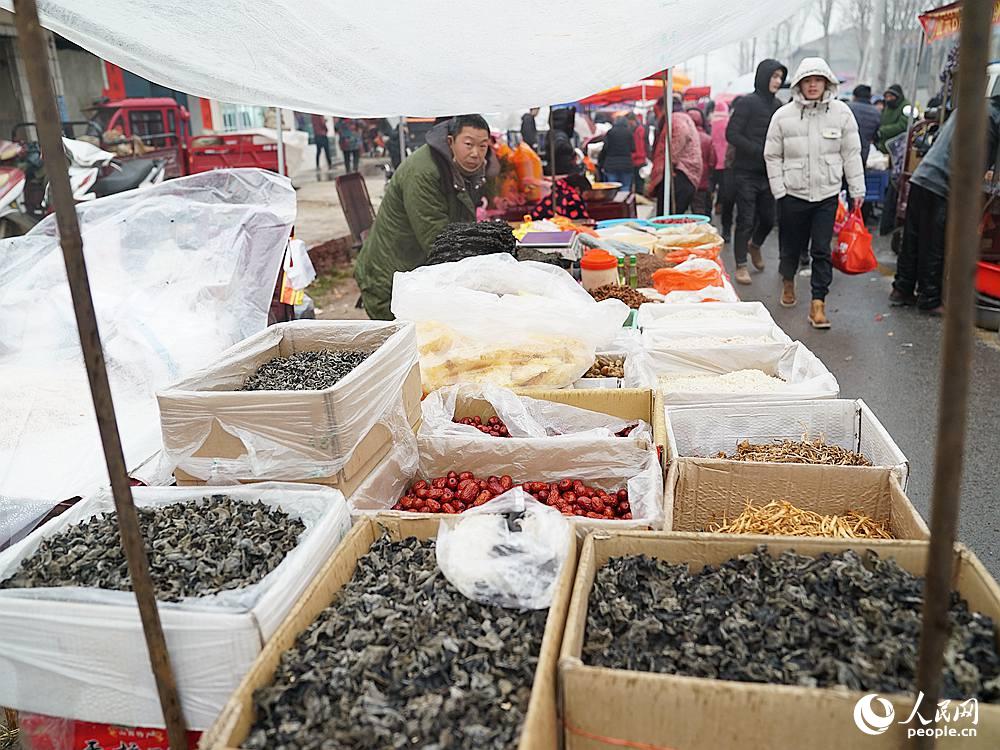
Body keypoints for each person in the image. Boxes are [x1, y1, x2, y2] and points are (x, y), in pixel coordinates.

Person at [354, 114, 498, 319]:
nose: (476, 153)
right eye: (468, 144)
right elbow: (437, 240)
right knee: (412, 346)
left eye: (483, 146)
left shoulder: (463, 168)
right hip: (391, 284)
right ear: (450, 141)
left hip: (417, 280)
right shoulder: (424, 173)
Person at [765, 57, 865, 330]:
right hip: (792, 194)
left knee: (821, 250)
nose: (812, 86)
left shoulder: (841, 113)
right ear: (799, 84)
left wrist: (857, 189)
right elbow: (772, 155)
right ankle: (788, 281)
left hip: (827, 194)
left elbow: (851, 154)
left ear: (826, 83)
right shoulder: (783, 116)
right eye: (807, 81)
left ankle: (818, 304)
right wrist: (779, 191)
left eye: (817, 80)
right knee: (791, 247)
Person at [891, 97, 1000, 314]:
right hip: (943, 183)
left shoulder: (974, 104)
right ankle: (930, 300)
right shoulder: (994, 117)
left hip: (923, 175)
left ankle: (902, 289)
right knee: (935, 243)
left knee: (913, 238)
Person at [727, 58, 788, 285]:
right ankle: (741, 265)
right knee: (745, 219)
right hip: (745, 172)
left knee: (768, 219)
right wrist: (758, 151)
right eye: (774, 76)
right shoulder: (747, 103)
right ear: (764, 77)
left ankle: (755, 246)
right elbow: (731, 134)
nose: (778, 81)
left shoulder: (779, 107)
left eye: (780, 77)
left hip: (769, 173)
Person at [646, 97, 702, 214]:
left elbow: (681, 134)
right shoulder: (683, 117)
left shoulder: (676, 119)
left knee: (667, 220)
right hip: (683, 175)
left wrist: (670, 162)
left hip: (678, 174)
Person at [686, 107, 715, 215]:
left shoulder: (685, 137)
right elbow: (712, 161)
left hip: (688, 178)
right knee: (702, 207)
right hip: (704, 178)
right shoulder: (707, 138)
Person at [598, 116, 635, 191]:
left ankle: (615, 202)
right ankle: (624, 202)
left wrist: (601, 162)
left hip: (611, 165)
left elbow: (605, 148)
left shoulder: (610, 132)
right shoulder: (629, 133)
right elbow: (633, 148)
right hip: (626, 165)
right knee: (625, 187)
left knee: (612, 188)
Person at [848, 85, 881, 167]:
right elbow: (876, 135)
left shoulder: (847, 107)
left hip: (846, 149)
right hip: (863, 151)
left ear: (854, 96)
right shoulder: (876, 112)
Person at [876, 84, 909, 153]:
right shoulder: (888, 107)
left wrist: (882, 131)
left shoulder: (906, 107)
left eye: (891, 96)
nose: (888, 99)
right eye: (887, 97)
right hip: (884, 145)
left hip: (898, 147)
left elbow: (903, 126)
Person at [626, 112, 647, 193]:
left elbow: (639, 146)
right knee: (638, 182)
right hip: (637, 159)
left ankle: (639, 197)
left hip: (638, 160)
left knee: (638, 182)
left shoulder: (639, 131)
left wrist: (634, 155)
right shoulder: (638, 129)